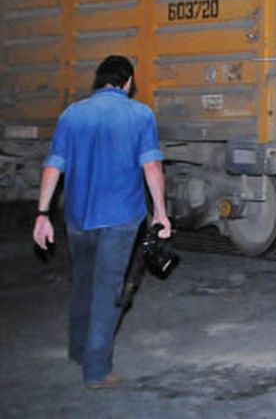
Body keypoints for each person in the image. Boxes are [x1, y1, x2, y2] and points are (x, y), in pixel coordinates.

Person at [31, 54, 171, 389]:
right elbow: (151, 167)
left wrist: (42, 213)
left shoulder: (72, 115)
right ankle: (96, 369)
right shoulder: (140, 114)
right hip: (121, 218)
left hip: (78, 217)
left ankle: (78, 349)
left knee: (83, 283)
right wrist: (161, 212)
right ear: (128, 82)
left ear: (99, 81)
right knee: (108, 290)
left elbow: (54, 165)